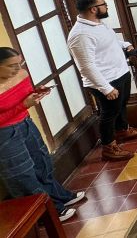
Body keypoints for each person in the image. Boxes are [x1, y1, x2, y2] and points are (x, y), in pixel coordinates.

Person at [0, 48, 85, 221]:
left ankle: (59, 197)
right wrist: (24, 105)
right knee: (22, 174)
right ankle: (49, 213)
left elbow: (23, 96)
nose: (17, 69)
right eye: (11, 66)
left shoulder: (22, 74)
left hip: (26, 123)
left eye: (19, 63)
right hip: (5, 134)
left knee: (42, 163)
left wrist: (36, 92)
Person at [67, 0, 137, 161]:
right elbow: (86, 66)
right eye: (103, 4)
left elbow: (109, 41)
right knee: (109, 113)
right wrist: (106, 88)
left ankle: (123, 130)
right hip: (106, 80)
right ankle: (108, 147)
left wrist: (125, 45)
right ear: (93, 9)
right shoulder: (81, 35)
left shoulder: (98, 23)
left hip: (119, 73)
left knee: (121, 105)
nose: (106, 7)